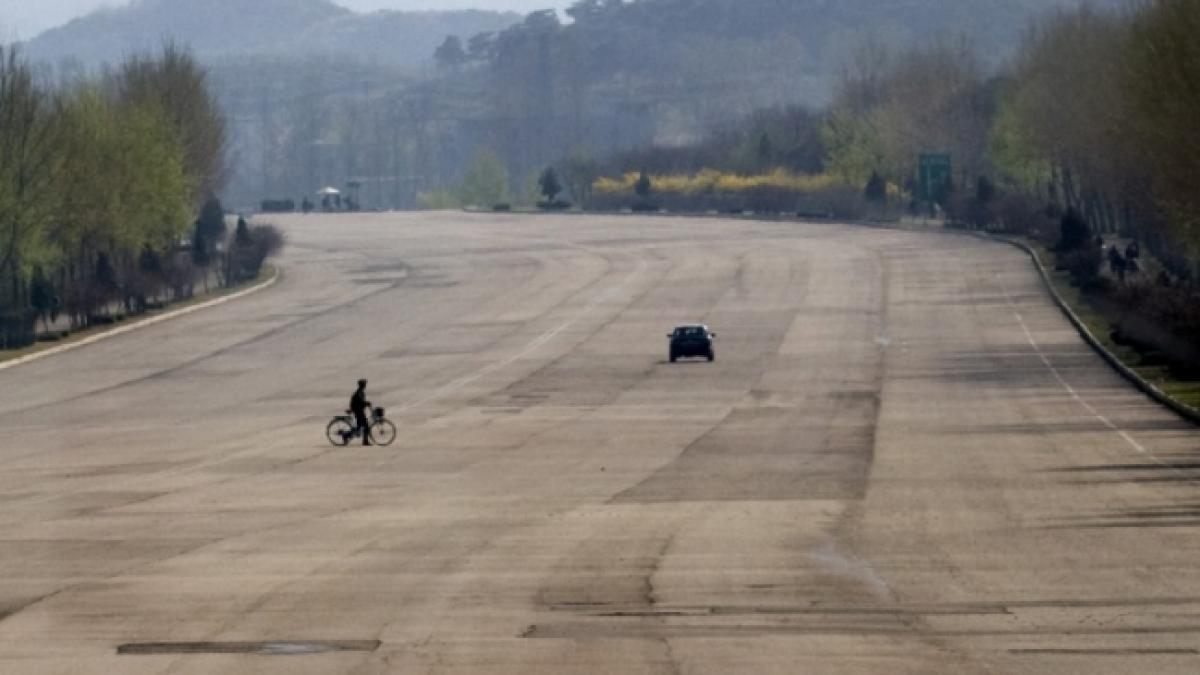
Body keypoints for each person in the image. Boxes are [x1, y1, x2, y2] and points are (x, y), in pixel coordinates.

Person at [349, 379, 372, 446]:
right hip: (357, 411)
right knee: (366, 426)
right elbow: (360, 402)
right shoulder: (358, 392)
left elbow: (361, 402)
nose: (365, 385)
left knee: (359, 427)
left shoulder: (360, 392)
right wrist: (366, 403)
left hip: (359, 410)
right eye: (364, 384)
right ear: (361, 385)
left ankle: (347, 435)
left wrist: (366, 404)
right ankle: (365, 441)